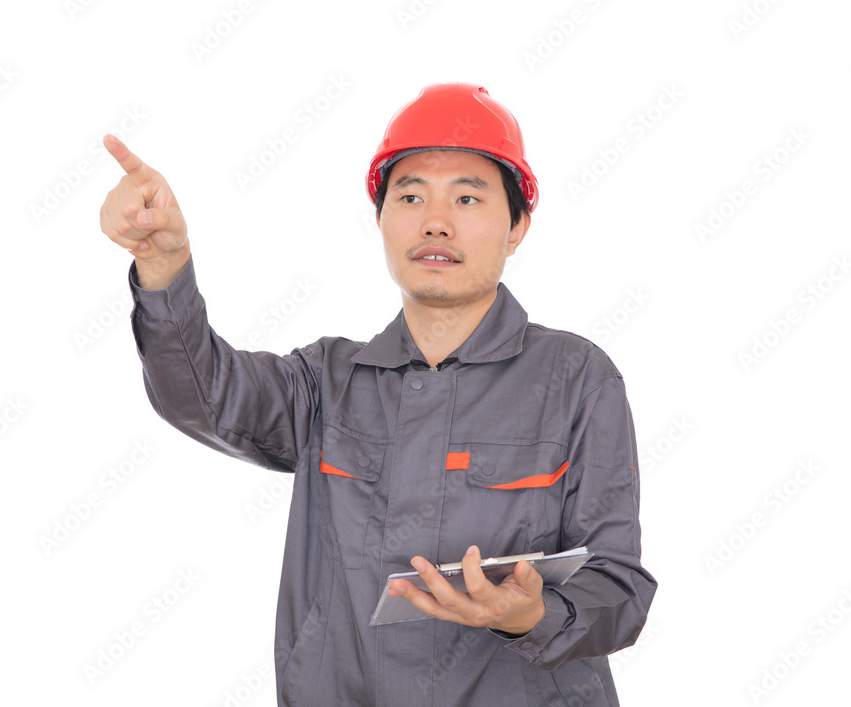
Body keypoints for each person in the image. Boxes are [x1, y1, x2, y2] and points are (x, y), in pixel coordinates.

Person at [99, 82, 657, 706]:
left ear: (518, 225)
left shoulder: (576, 376)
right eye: (411, 196)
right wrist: (163, 263)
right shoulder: (326, 382)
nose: (436, 222)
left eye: (468, 198)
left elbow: (620, 589)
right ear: (381, 219)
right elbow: (202, 395)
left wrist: (530, 613)